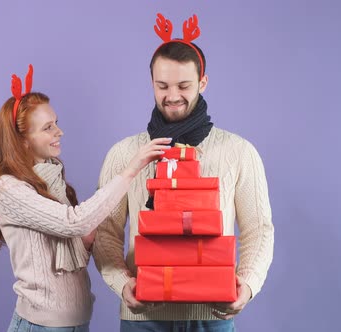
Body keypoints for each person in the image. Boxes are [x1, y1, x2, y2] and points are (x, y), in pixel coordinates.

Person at [93, 13, 275, 331]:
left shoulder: (239, 152)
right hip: (143, 319)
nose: (172, 95)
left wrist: (245, 286)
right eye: (162, 85)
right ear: (151, 82)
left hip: (212, 316)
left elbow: (258, 229)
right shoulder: (124, 154)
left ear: (203, 82)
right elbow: (105, 232)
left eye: (184, 85)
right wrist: (122, 284)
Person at [0, 64, 171, 332]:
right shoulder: (8, 188)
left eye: (56, 123)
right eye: (47, 128)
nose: (59, 132)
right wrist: (131, 170)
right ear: (22, 141)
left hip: (76, 324)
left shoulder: (51, 182)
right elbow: (73, 223)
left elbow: (80, 236)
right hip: (41, 327)